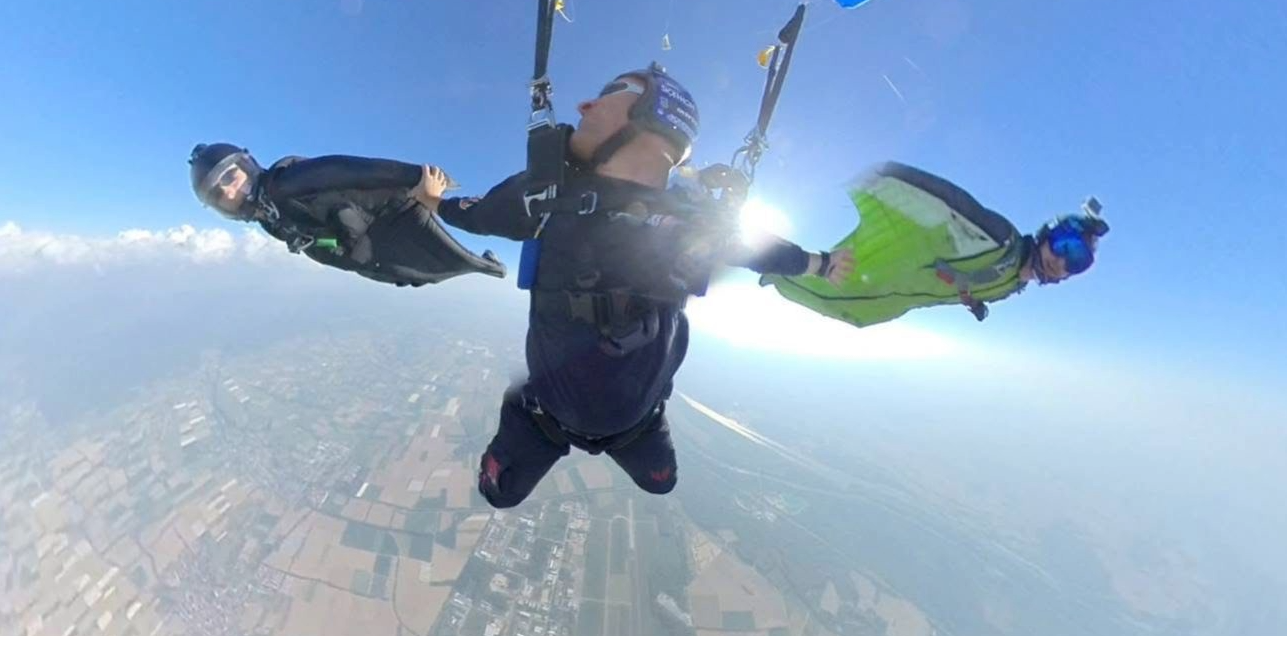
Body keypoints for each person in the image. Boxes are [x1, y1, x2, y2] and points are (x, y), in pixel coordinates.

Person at [434, 64, 853, 508]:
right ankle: (522, 415)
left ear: (659, 116)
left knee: (662, 483)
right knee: (497, 494)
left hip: (636, 422)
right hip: (544, 415)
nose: (584, 105)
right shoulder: (547, 196)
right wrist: (433, 199)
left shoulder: (695, 220)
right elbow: (473, 213)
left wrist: (820, 263)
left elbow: (755, 247)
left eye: (613, 90)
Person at [766, 162, 1109, 326]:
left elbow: (982, 286)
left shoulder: (1008, 285)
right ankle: (757, 252)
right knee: (798, 275)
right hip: (866, 275)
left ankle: (769, 262)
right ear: (1048, 235)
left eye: (1076, 261)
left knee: (823, 296)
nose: (1062, 261)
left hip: (877, 299)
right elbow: (945, 202)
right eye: (1065, 246)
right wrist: (861, 169)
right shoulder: (997, 240)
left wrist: (975, 304)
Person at [187, 144, 504, 287]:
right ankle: (486, 263)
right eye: (216, 195)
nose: (228, 193)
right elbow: (317, 240)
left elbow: (344, 170)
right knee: (426, 274)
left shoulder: (284, 185)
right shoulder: (268, 217)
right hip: (372, 258)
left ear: (246, 166)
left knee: (445, 263)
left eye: (229, 177)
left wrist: (418, 177)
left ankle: (491, 261)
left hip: (387, 226)